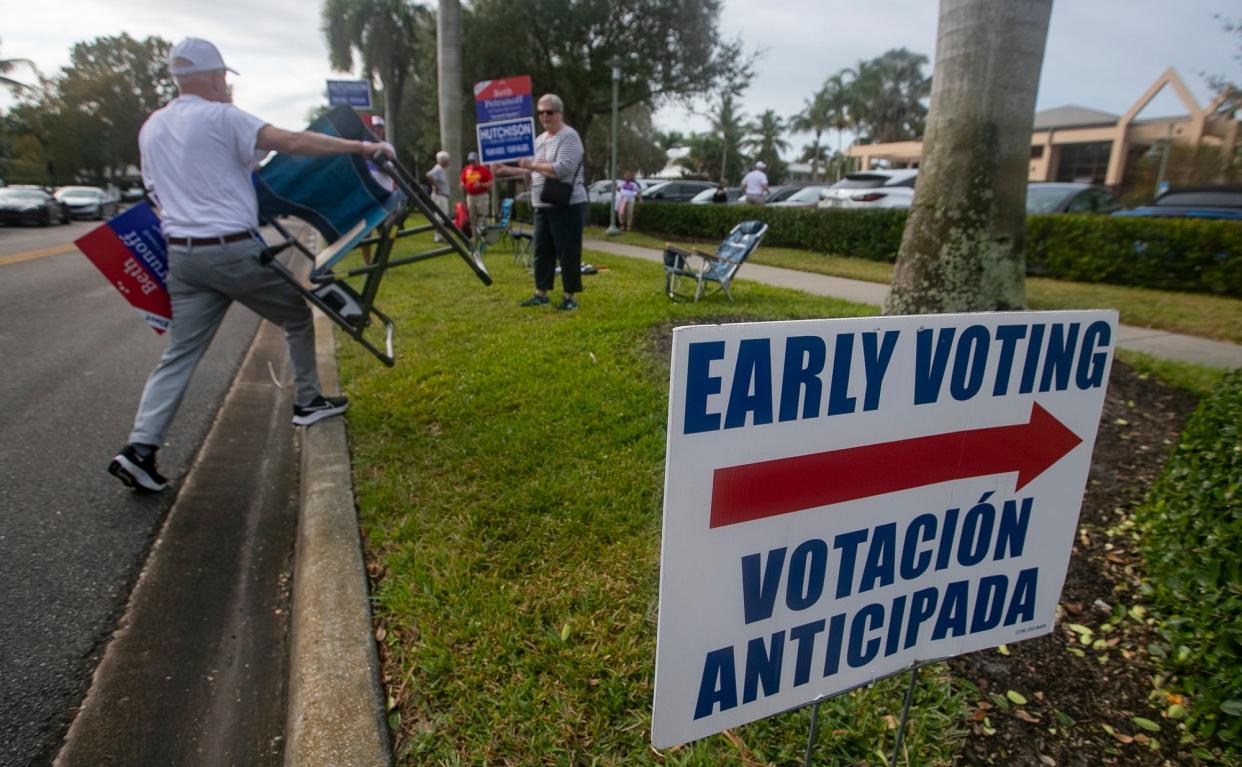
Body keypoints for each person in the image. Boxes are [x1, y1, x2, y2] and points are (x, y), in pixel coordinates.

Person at [107, 37, 389, 493]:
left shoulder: (153, 127)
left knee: (180, 354)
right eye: (222, 76)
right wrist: (359, 147)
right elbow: (292, 141)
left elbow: (157, 192)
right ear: (210, 75)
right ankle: (308, 401)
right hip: (232, 249)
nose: (225, 84)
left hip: (184, 257)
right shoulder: (223, 117)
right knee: (296, 315)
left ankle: (140, 448)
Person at [493, 93, 587, 311]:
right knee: (542, 251)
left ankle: (570, 296)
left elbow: (563, 169)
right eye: (541, 112)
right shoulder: (539, 139)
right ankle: (541, 292)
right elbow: (530, 169)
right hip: (542, 204)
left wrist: (531, 164)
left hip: (567, 204)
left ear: (559, 113)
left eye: (549, 112)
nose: (544, 116)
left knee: (567, 251)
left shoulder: (569, 136)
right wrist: (505, 169)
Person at [361, 115, 396, 265]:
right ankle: (368, 264)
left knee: (385, 231)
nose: (377, 130)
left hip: (385, 194)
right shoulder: (362, 146)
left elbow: (394, 171)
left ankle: (381, 262)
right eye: (375, 127)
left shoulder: (388, 147)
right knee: (365, 233)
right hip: (367, 194)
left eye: (380, 127)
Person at [460, 151, 493, 232]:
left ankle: (484, 234)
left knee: (482, 215)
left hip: (482, 196)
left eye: (473, 161)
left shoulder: (484, 170)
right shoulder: (466, 169)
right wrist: (462, 185)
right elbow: (462, 181)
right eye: (470, 161)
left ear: (477, 161)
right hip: (470, 196)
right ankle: (475, 235)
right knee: (472, 216)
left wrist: (481, 184)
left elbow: (490, 182)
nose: (472, 163)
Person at [426, 150, 451, 242]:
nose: (449, 162)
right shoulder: (438, 169)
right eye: (447, 160)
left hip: (442, 196)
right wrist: (435, 186)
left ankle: (440, 236)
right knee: (441, 217)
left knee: (441, 216)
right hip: (440, 196)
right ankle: (438, 237)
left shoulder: (440, 169)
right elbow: (429, 175)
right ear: (443, 161)